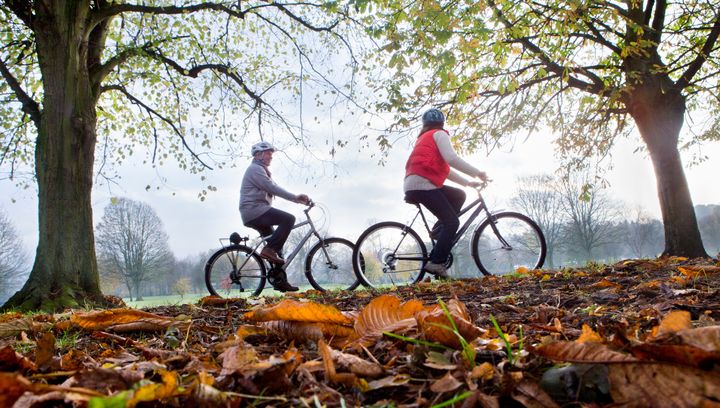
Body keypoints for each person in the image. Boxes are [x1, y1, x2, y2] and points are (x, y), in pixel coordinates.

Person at [404, 108, 488, 279]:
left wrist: (467, 183)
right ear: (442, 123)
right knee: (452, 222)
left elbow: (445, 170)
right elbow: (452, 159)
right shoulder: (440, 134)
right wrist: (477, 172)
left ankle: (439, 232)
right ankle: (436, 262)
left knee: (459, 195)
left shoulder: (423, 138)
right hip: (423, 184)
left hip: (413, 184)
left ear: (424, 124)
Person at [240, 141, 311, 292]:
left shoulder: (261, 170)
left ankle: (279, 280)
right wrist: (295, 198)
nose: (271, 156)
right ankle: (268, 250)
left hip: (257, 211)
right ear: (258, 155)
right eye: (268, 153)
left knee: (276, 248)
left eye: (271, 154)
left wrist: (297, 198)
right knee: (288, 219)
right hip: (254, 211)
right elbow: (272, 188)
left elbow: (274, 187)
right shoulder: (255, 169)